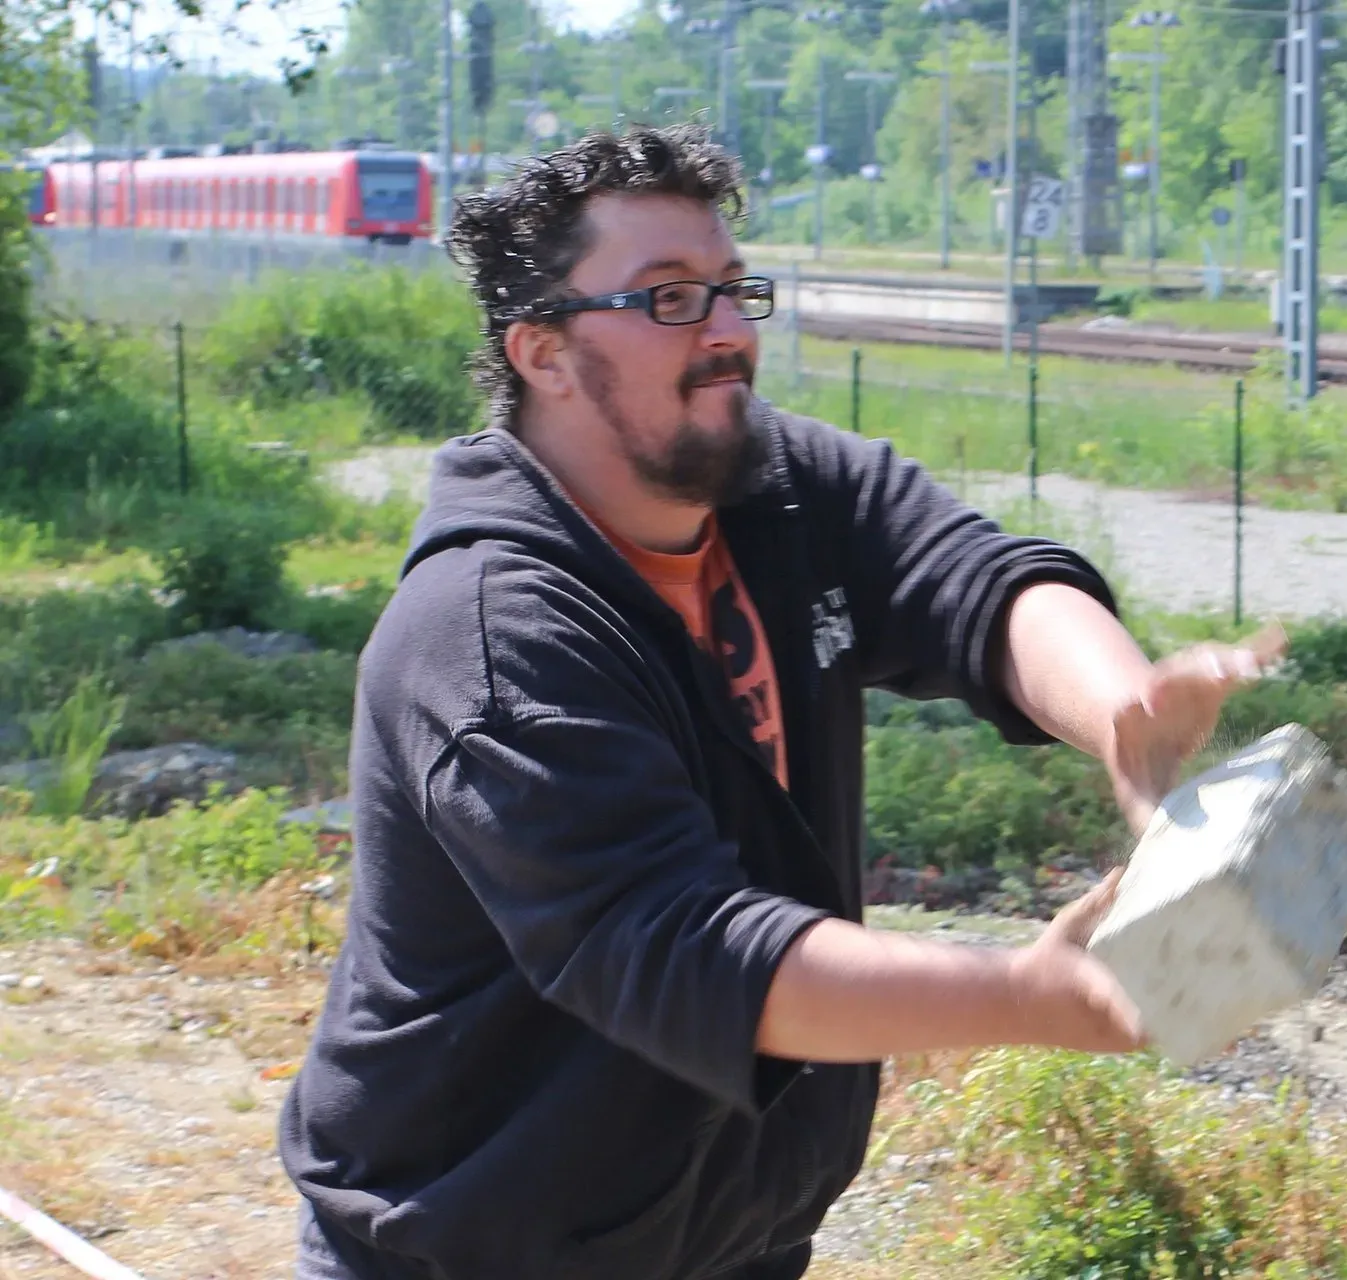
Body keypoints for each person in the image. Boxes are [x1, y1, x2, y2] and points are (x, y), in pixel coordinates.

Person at [280, 123, 1284, 1280]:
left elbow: (975, 581)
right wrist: (1032, 994)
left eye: (733, 288)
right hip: (469, 1251)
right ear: (543, 351)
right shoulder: (492, 634)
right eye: (668, 298)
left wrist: (1120, 707)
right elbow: (697, 954)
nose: (726, 331)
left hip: (726, 1240)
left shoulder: (778, 488)